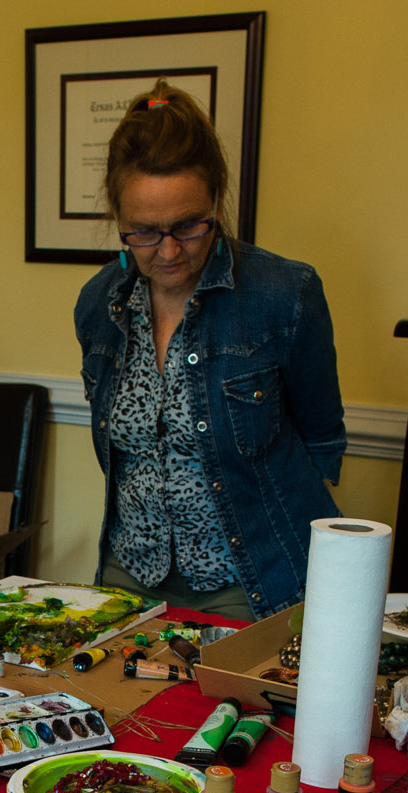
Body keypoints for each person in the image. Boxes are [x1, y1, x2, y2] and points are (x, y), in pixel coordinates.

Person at [73, 81, 348, 620]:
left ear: (218, 200)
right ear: (118, 219)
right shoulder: (98, 305)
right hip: (129, 575)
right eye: (144, 233)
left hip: (251, 582)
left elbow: (321, 438)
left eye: (189, 226)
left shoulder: (283, 295)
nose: (170, 251)